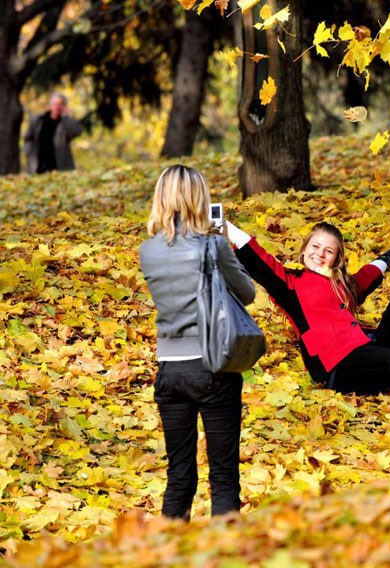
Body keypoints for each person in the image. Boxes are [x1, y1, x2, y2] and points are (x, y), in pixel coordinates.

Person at [224, 220, 390, 433]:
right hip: (338, 367)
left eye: (328, 251)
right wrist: (222, 225)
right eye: (315, 246)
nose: (319, 254)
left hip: (365, 353)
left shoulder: (341, 286)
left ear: (336, 259)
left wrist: (387, 258)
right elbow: (259, 260)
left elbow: (366, 278)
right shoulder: (290, 283)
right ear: (303, 250)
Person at [139, 165, 255, 520]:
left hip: (169, 371)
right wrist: (223, 246)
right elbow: (247, 293)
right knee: (223, 478)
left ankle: (168, 553)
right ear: (198, 199)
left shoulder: (148, 250)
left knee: (178, 477)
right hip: (212, 365)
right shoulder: (213, 245)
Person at [23, 93, 83, 174]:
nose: (57, 107)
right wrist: (29, 153)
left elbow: (76, 132)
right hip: (38, 166)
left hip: (60, 166)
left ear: (64, 106)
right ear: (50, 105)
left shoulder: (66, 122)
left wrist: (65, 117)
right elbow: (28, 138)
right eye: (55, 104)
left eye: (60, 104)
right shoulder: (38, 120)